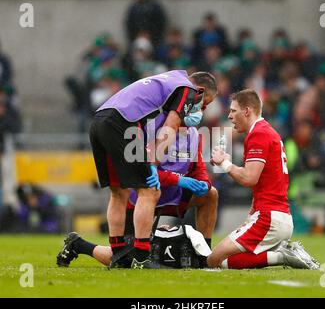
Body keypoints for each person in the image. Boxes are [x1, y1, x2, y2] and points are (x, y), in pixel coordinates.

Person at [86, 70, 217, 269]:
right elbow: (170, 128)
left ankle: (119, 252)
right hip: (124, 124)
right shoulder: (187, 89)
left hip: (100, 120)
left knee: (118, 192)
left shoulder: (169, 79)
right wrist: (154, 165)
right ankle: (141, 256)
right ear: (199, 90)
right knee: (149, 191)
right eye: (204, 103)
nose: (202, 108)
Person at [57, 111, 218, 268]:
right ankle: (78, 244)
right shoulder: (152, 129)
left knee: (211, 194)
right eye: (197, 106)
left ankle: (204, 254)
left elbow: (198, 168)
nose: (199, 111)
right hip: (141, 198)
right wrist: (179, 180)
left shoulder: (195, 134)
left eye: (203, 107)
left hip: (171, 196)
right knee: (126, 260)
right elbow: (143, 172)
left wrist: (204, 182)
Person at [207, 89, 320, 270]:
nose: (229, 116)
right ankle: (281, 254)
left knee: (214, 260)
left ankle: (282, 255)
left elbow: (249, 178)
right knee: (224, 261)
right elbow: (261, 183)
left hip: (269, 218)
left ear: (247, 111)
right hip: (276, 215)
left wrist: (225, 164)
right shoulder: (265, 131)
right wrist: (251, 215)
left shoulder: (259, 134)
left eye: (233, 111)